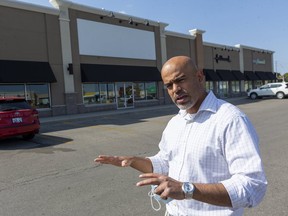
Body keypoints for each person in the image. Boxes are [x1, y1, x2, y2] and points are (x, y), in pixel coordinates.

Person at [94, 56, 267, 216]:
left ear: (199, 77)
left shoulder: (230, 119)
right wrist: (134, 161)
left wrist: (187, 190)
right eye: (169, 85)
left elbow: (252, 187)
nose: (175, 90)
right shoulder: (176, 122)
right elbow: (166, 163)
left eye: (180, 80)